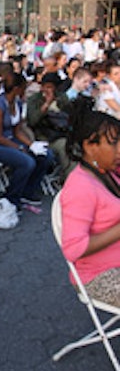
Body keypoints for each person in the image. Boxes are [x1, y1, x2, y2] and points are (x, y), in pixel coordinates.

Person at [60, 97, 120, 306]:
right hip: (98, 275)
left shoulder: (109, 171)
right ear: (89, 146)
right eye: (114, 144)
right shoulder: (80, 186)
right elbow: (73, 249)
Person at [0, 71, 55, 211]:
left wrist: (31, 144)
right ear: (16, 89)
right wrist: (20, 148)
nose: (25, 91)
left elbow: (17, 131)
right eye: (23, 88)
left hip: (9, 140)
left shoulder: (17, 103)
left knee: (46, 155)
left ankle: (27, 191)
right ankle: (12, 197)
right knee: (27, 161)